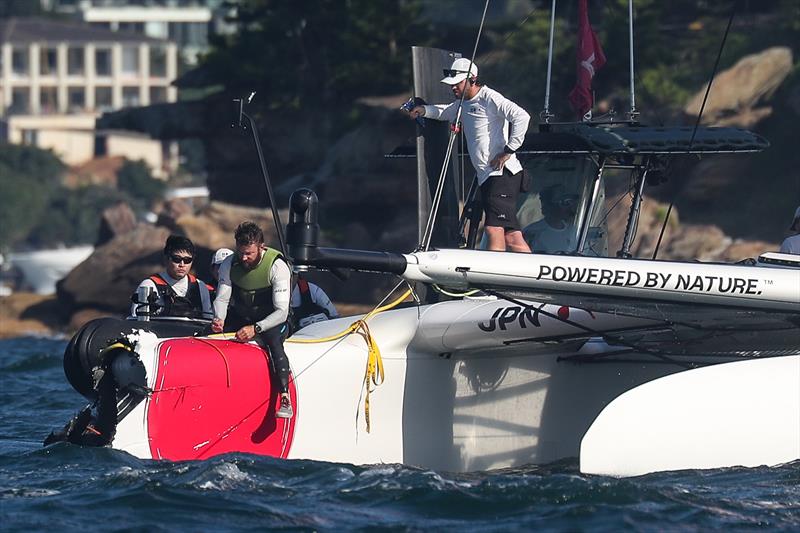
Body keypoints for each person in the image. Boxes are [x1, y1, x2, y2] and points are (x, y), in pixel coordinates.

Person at [407, 57, 532, 253]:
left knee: (493, 230)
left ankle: (493, 280)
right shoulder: (462, 103)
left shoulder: (489, 97)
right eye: (452, 85)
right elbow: (445, 112)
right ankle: (531, 280)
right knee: (512, 236)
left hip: (501, 174)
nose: (453, 89)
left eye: (457, 84)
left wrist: (508, 151)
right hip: (489, 177)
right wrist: (424, 110)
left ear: (472, 79)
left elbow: (522, 116)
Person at [211, 222, 294, 418]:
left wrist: (256, 328)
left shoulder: (277, 266)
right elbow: (222, 298)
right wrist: (219, 319)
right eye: (241, 252)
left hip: (273, 320)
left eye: (249, 253)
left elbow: (282, 311)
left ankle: (284, 396)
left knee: (273, 342)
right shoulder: (229, 263)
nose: (244, 258)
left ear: (261, 247)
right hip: (243, 315)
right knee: (211, 333)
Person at [130, 235, 213, 319]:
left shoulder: (200, 286)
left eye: (187, 260)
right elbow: (136, 321)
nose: (182, 264)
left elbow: (209, 320)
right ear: (166, 258)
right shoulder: (148, 285)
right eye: (176, 259)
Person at [523, 185, 579, 254]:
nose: (570, 207)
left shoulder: (574, 232)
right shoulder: (532, 232)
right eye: (565, 202)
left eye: (572, 202)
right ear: (549, 205)